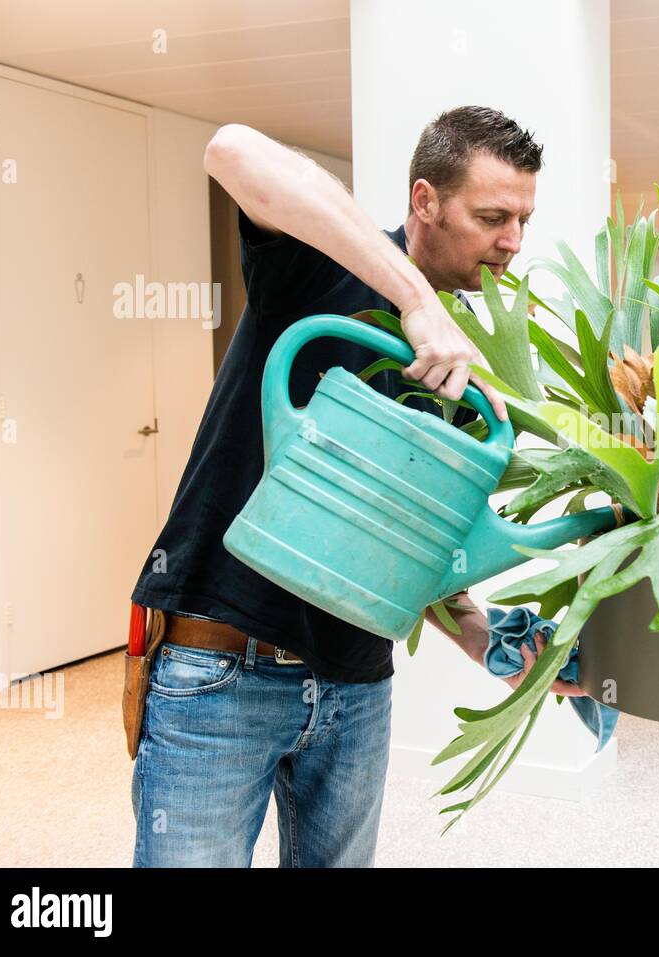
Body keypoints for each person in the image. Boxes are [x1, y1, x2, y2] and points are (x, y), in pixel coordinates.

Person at [129, 106, 584, 867]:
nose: (513, 241)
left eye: (524, 221)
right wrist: (415, 301)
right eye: (493, 215)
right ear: (424, 201)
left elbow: (408, 534)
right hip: (221, 671)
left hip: (354, 685)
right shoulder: (321, 261)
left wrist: (479, 635)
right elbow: (232, 148)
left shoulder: (465, 363)